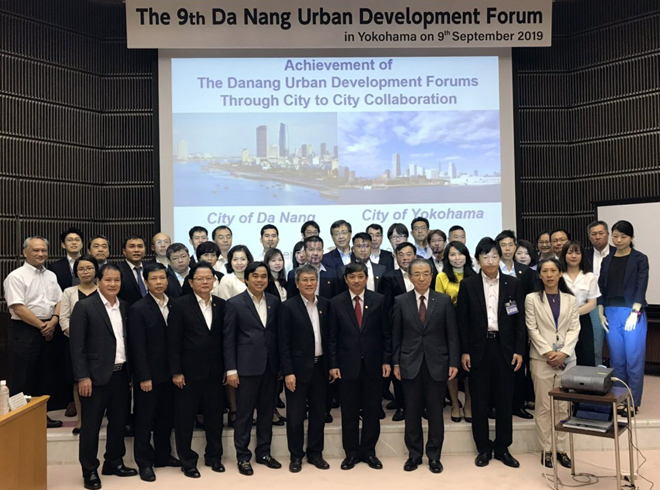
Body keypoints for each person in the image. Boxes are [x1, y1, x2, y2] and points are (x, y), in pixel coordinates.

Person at [456, 238, 526, 469]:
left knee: (505, 399)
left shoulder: (513, 284)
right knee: (479, 400)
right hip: (478, 349)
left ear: (501, 257)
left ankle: (503, 447)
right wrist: (464, 351)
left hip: (505, 349)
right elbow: (462, 321)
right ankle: (483, 448)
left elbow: (519, 322)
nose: (490, 260)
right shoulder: (468, 285)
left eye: (494, 256)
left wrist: (518, 350)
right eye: (485, 257)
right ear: (477, 260)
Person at [69, 264, 137, 489]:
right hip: (94, 378)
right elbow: (76, 347)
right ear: (98, 281)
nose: (113, 284)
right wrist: (82, 377)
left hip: (121, 375)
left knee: (118, 423)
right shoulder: (84, 306)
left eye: (117, 280)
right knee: (91, 426)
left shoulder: (125, 307)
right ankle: (89, 470)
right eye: (108, 280)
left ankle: (114, 462)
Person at [392, 258, 459, 474]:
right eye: (417, 274)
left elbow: (452, 336)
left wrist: (453, 362)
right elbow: (396, 336)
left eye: (426, 273)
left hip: (437, 363)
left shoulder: (444, 300)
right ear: (410, 277)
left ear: (432, 275)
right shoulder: (401, 301)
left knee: (435, 412)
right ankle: (414, 454)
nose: (422, 278)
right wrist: (395, 363)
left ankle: (434, 456)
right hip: (409, 363)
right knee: (411, 411)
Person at [329, 262, 390, 471]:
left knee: (373, 410)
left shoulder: (379, 300)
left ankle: (369, 451)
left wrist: (386, 360)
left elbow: (386, 334)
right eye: (352, 277)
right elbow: (332, 337)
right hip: (347, 367)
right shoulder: (336, 302)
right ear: (346, 279)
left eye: (360, 277)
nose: (356, 281)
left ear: (366, 278)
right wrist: (333, 364)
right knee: (349, 412)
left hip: (373, 365)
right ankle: (352, 453)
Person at [168, 262, 226, 478]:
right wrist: (176, 371)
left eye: (208, 278)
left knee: (214, 417)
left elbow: (222, 340)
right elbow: (172, 341)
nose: (204, 282)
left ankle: (214, 457)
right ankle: (188, 461)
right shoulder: (180, 305)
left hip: (214, 372)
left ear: (214, 281)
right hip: (187, 374)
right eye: (200, 278)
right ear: (191, 282)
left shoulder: (221, 305)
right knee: (185, 419)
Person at [224, 262, 282, 476]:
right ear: (246, 279)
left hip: (270, 367)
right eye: (255, 276)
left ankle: (264, 453)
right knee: (244, 415)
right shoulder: (234, 303)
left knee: (267, 412)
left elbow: (276, 336)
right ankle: (243, 456)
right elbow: (228, 339)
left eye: (264, 276)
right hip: (246, 368)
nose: (260, 280)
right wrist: (231, 369)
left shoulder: (274, 302)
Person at [128, 262, 180, 482]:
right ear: (146, 282)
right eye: (154, 279)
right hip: (149, 376)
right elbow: (137, 347)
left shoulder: (176, 305)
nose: (159, 283)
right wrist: (143, 376)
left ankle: (163, 455)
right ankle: (144, 462)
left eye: (162, 278)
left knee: (166, 417)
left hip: (171, 374)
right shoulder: (138, 308)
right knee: (144, 419)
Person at [525, 258, 580, 469]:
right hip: (541, 359)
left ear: (560, 273)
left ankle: (561, 449)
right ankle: (547, 449)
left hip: (567, 360)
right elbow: (532, 328)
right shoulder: (532, 299)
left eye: (553, 270)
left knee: (563, 407)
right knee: (544, 406)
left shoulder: (570, 299)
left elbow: (575, 329)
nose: (549, 275)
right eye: (545, 271)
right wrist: (549, 352)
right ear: (539, 275)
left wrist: (564, 352)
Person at [4, 237, 63, 428]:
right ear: (25, 252)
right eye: (36, 250)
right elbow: (18, 307)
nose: (40, 254)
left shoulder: (51, 276)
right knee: (22, 375)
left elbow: (60, 300)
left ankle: (40, 418)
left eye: (44, 250)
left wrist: (53, 321)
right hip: (25, 329)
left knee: (44, 375)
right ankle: (19, 419)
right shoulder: (16, 276)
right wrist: (41, 325)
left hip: (48, 327)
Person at [279, 264, 330, 473]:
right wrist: (288, 372)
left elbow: (330, 338)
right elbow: (283, 343)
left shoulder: (325, 305)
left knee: (319, 413)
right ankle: (296, 455)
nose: (309, 283)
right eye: (305, 280)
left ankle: (315, 453)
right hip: (297, 371)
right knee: (296, 415)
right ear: (297, 283)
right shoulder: (288, 307)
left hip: (321, 368)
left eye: (313, 279)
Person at [597, 221, 649, 414]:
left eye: (623, 237)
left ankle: (633, 402)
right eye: (615, 236)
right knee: (617, 360)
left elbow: (641, 287)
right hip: (611, 311)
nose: (618, 240)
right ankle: (620, 399)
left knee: (633, 360)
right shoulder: (607, 259)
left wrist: (634, 313)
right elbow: (601, 286)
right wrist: (601, 310)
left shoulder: (640, 259)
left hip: (632, 313)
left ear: (632, 238)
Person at [496, 230, 538, 419]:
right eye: (503, 245)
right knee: (497, 368)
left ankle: (518, 404)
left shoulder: (525, 271)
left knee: (519, 367)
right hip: (497, 327)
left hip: (519, 325)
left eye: (510, 245)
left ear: (515, 246)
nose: (507, 248)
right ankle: (496, 404)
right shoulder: (491, 268)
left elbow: (533, 299)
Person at [435, 241, 476, 423]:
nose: (457, 258)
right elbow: (439, 304)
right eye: (452, 254)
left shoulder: (475, 275)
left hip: (470, 327)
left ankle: (468, 403)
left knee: (469, 368)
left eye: (460, 254)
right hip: (448, 326)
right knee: (451, 367)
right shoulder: (442, 277)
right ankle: (454, 403)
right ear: (447, 257)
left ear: (467, 256)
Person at [59, 254, 99, 435]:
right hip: (76, 345)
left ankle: (98, 419)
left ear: (96, 270)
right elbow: (64, 319)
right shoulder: (69, 292)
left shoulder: (103, 289)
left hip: (101, 346)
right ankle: (81, 421)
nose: (85, 272)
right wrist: (77, 337)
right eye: (81, 268)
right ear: (76, 272)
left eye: (89, 268)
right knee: (79, 382)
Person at [380, 242, 417, 421]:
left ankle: (419, 405)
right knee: (399, 369)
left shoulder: (423, 273)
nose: (405, 258)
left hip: (422, 329)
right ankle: (402, 405)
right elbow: (386, 306)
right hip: (399, 329)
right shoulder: (389, 277)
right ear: (396, 257)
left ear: (415, 256)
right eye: (401, 254)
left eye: (409, 254)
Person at [217, 244, 253, 427]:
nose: (239, 263)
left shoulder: (253, 278)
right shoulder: (227, 280)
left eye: (243, 258)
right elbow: (225, 307)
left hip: (250, 335)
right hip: (233, 331)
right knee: (232, 371)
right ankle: (234, 410)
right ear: (230, 261)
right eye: (235, 259)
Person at [559, 241, 599, 366]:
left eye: (577, 252)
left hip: (583, 319)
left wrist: (574, 313)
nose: (573, 256)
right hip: (560, 320)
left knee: (585, 355)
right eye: (570, 252)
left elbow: (592, 303)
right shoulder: (558, 275)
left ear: (582, 255)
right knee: (564, 355)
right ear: (564, 255)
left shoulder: (589, 276)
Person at [585, 220, 615, 366]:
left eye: (601, 233)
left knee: (616, 346)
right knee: (596, 344)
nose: (597, 237)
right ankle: (596, 376)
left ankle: (618, 377)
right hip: (594, 304)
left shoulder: (619, 253)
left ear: (608, 234)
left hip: (615, 304)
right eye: (594, 234)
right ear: (590, 237)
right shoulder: (584, 255)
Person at [117, 234, 149, 306]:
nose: (136, 250)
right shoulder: (118, 271)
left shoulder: (150, 268)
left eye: (140, 246)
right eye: (132, 247)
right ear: (124, 251)